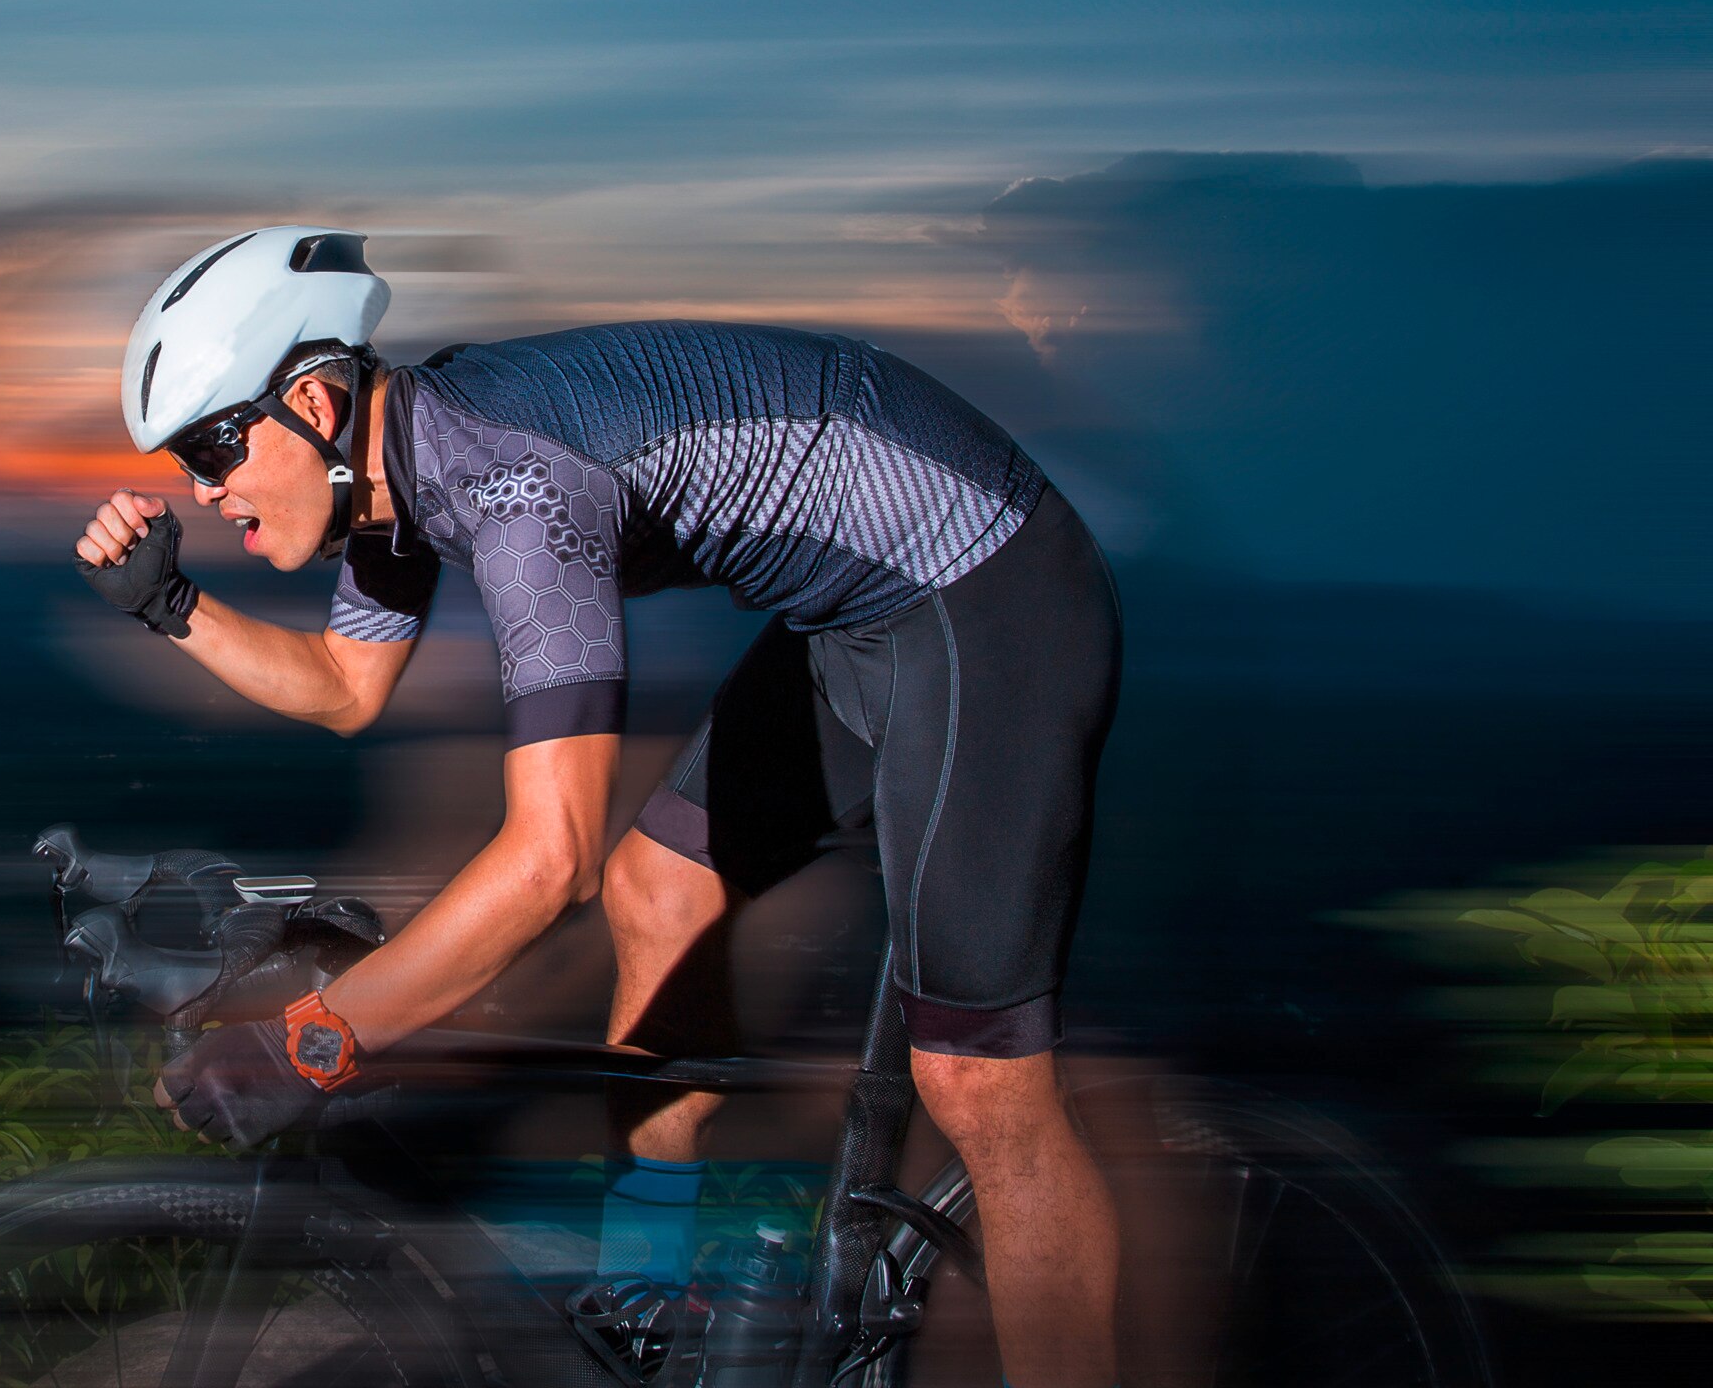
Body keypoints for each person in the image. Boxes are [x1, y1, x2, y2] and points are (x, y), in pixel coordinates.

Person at [74, 227, 1124, 1388]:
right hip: (856, 621)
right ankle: (649, 1305)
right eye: (187, 461)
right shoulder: (399, 470)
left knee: (981, 1085)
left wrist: (304, 1050)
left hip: (988, 591)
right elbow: (345, 688)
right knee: (658, 891)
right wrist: (174, 605)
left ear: (316, 400)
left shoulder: (515, 486)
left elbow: (548, 859)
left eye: (219, 443)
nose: (207, 486)